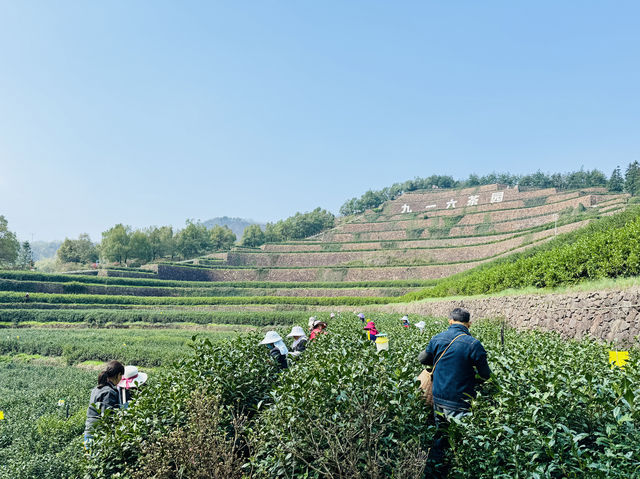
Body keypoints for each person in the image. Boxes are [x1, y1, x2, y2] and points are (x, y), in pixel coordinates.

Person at [418, 308, 491, 476]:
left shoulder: (438, 338)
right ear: (469, 324)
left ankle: (435, 470)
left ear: (450, 321)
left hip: (438, 396)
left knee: (441, 434)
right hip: (461, 400)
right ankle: (459, 469)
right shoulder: (474, 344)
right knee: (461, 438)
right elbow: (486, 374)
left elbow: (422, 359)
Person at [84, 360, 125, 447]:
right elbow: (106, 417)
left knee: (88, 457)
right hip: (97, 433)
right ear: (118, 375)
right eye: (121, 375)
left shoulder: (97, 388)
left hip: (89, 431)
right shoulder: (109, 392)